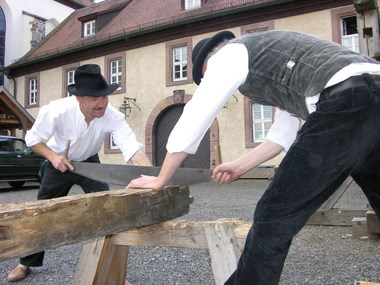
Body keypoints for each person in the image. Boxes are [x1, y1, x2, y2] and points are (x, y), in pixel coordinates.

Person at [127, 30, 380, 284]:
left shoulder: (229, 54)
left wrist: (161, 178)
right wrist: (240, 166)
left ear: (207, 65)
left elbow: (197, 113)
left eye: (204, 77)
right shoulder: (276, 64)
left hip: (348, 101)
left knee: (274, 216)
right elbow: (283, 133)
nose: (209, 81)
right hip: (371, 91)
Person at [7, 64, 151, 282]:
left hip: (89, 163)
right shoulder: (55, 110)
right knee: (42, 213)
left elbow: (131, 147)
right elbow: (33, 140)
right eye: (94, 99)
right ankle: (26, 263)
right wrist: (54, 157)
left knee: (107, 208)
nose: (101, 103)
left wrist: (150, 175)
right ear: (79, 99)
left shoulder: (112, 115)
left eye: (104, 97)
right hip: (58, 164)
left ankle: (113, 269)